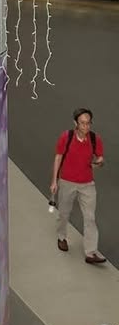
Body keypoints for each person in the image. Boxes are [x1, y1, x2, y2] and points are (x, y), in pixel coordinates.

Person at [51, 107, 106, 263]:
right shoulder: (66, 137)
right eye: (82, 123)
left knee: (90, 218)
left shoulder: (95, 139)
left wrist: (99, 162)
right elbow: (58, 158)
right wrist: (54, 180)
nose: (86, 127)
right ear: (75, 123)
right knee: (64, 213)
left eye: (88, 123)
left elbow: (100, 158)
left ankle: (91, 252)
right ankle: (62, 237)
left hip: (87, 184)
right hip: (67, 182)